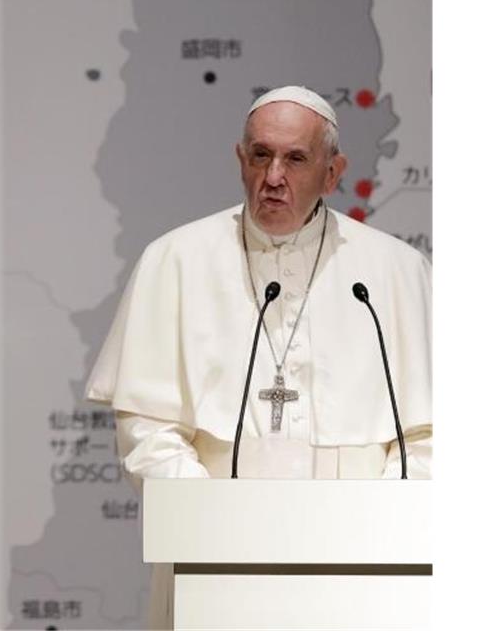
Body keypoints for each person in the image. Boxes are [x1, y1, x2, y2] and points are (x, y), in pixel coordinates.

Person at [84, 85, 431, 629]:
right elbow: (146, 430)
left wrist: (371, 527)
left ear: (333, 172)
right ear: (239, 158)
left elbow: (430, 437)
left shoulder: (396, 272)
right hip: (215, 565)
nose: (273, 177)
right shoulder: (174, 260)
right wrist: (220, 525)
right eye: (261, 155)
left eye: (295, 159)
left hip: (361, 568)